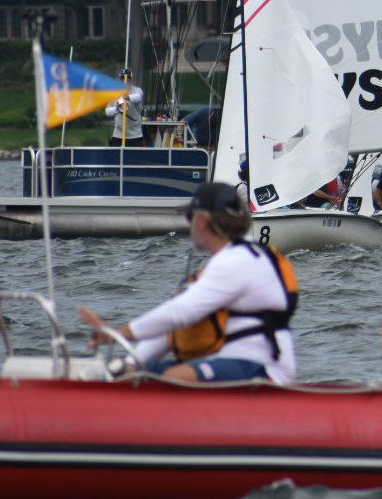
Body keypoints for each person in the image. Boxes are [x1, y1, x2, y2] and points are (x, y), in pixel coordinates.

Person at [78, 183, 296, 383]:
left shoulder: (238, 261)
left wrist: (119, 333)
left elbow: (180, 312)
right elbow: (174, 326)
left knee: (173, 376)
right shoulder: (223, 262)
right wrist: (131, 364)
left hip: (261, 368)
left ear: (202, 221)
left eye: (190, 217)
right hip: (225, 362)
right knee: (139, 374)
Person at [105, 70, 146, 147]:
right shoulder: (115, 92)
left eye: (128, 79)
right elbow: (107, 111)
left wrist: (129, 97)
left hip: (135, 135)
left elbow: (138, 97)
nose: (125, 81)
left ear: (132, 80)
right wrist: (116, 108)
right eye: (122, 78)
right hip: (118, 135)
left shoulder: (137, 90)